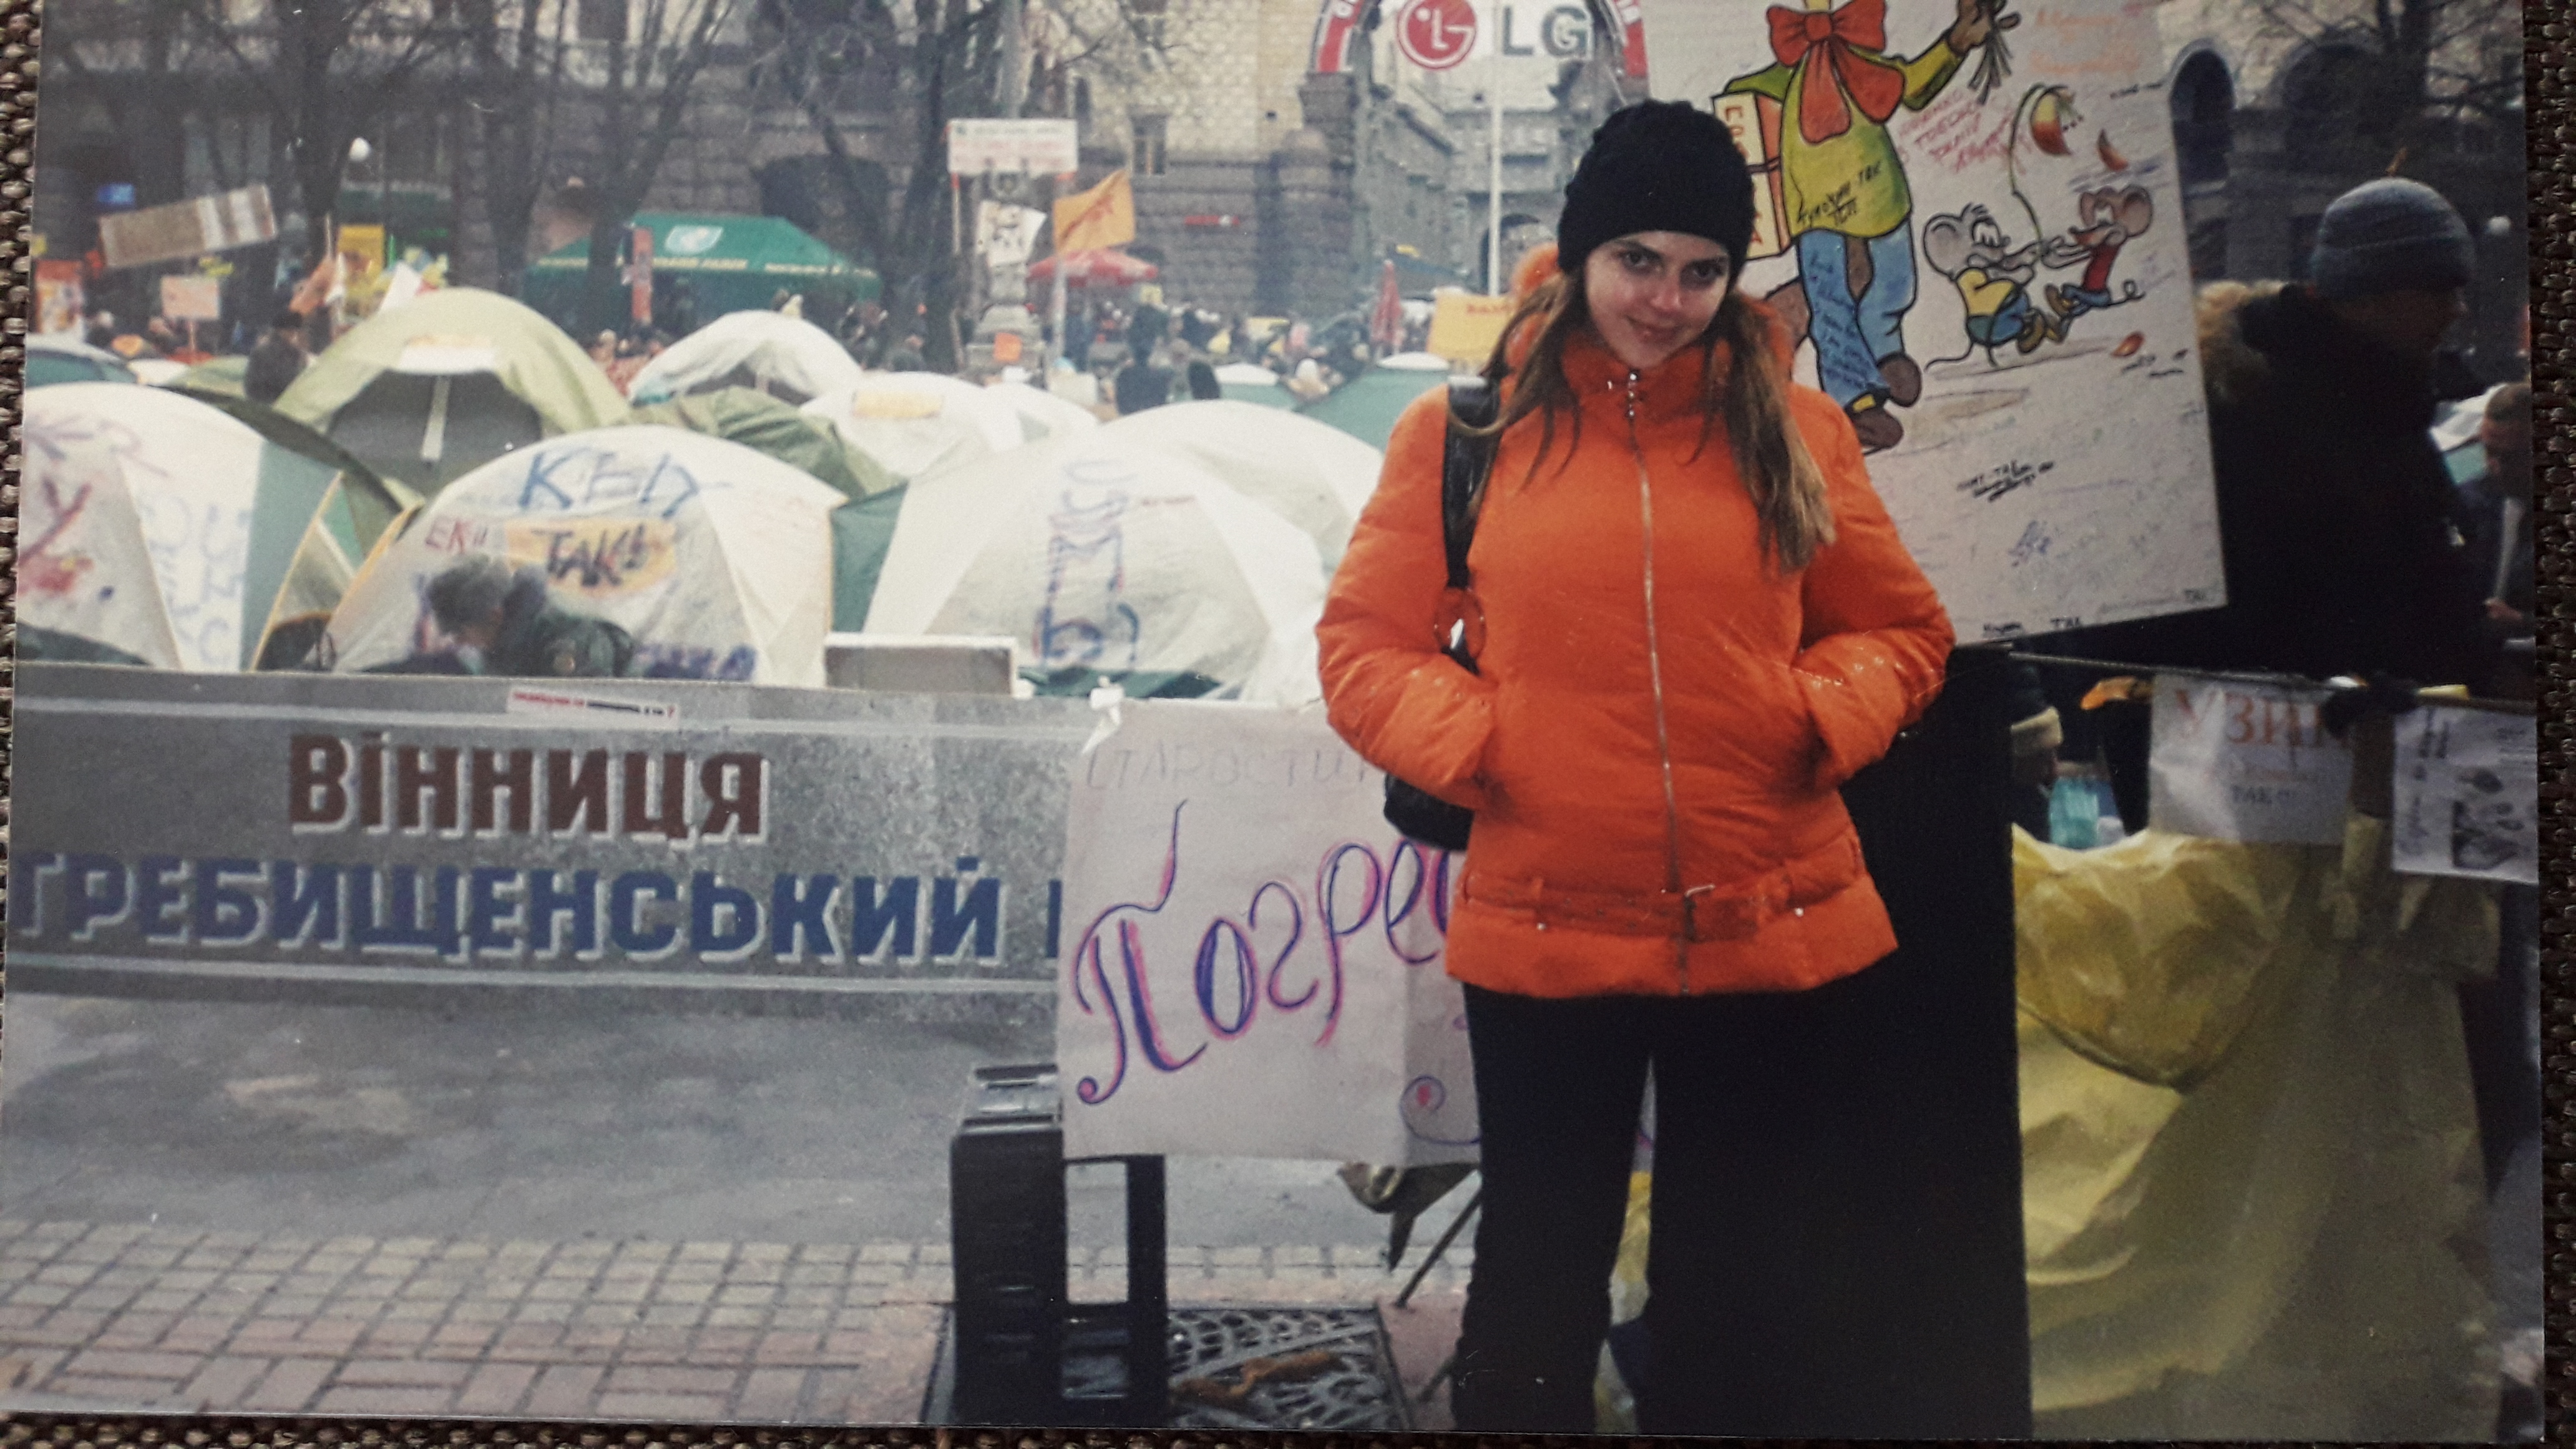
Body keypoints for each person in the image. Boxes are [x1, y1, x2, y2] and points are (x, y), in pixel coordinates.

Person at [1316, 100, 1953, 1435]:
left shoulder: (1798, 428)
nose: (1667, 300)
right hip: (1550, 919)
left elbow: (1901, 630)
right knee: (1534, 1288)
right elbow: (1364, 646)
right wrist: (1488, 744)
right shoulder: (1465, 433)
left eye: (1702, 270)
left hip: (1770, 917)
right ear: (1582, 253)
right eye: (1638, 261)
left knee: (1737, 1298)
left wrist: (1811, 715)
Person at [2069, 177, 2491, 690]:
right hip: (2272, 725)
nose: (2456, 309)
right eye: (2440, 291)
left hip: (2393, 721)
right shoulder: (2239, 416)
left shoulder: (2392, 407)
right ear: (2371, 293)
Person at [243, 309, 311, 404]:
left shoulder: (294, 353)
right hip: (274, 402)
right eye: (291, 331)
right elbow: (293, 380)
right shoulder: (288, 353)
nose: (293, 334)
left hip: (266, 401)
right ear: (281, 331)